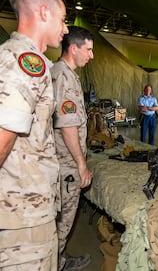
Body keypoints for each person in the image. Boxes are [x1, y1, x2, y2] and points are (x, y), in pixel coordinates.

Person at [0, 0, 68, 270]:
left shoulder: (13, 57)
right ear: (43, 13)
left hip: (26, 208)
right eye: (63, 20)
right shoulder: (26, 62)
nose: (65, 29)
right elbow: (3, 134)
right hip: (23, 213)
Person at [51, 26, 94, 270]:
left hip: (60, 160)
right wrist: (81, 165)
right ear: (74, 48)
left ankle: (59, 259)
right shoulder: (65, 76)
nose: (91, 55)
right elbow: (68, 126)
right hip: (66, 164)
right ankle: (55, 263)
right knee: (63, 220)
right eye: (88, 50)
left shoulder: (61, 73)